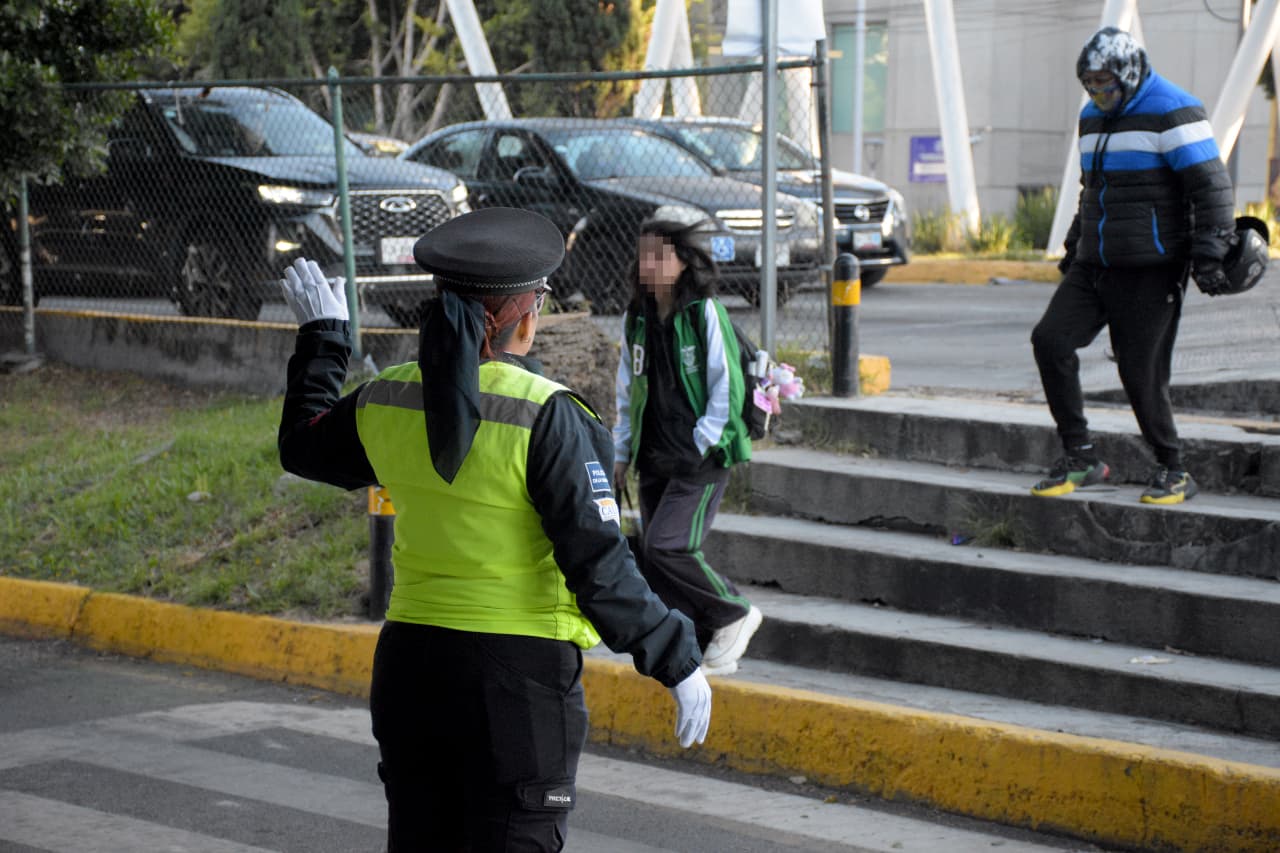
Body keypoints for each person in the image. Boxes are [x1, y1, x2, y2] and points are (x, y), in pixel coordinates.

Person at [276, 207, 711, 853]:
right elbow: (599, 564)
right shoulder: (548, 415)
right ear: (522, 315)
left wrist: (323, 337)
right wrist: (676, 659)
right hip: (516, 683)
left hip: (411, 669)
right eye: (539, 295)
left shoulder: (387, 398)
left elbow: (303, 444)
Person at [1031, 27, 1234, 504]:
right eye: (1090, 84)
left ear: (1129, 73)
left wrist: (1209, 255)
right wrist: (1075, 243)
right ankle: (1081, 456)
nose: (1097, 93)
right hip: (1095, 263)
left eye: (1105, 83)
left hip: (1151, 265)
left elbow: (1212, 189)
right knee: (1050, 340)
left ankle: (1174, 469)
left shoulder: (1173, 109)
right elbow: (1093, 190)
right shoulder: (1092, 118)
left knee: (1139, 371)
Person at [612, 217, 763, 678]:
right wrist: (620, 454)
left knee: (667, 547)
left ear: (682, 262)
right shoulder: (636, 319)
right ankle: (699, 641)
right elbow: (625, 391)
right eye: (644, 254)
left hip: (701, 456)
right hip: (653, 456)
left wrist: (703, 442)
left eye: (661, 255)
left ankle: (734, 611)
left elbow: (727, 387)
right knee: (657, 565)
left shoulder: (704, 313)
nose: (650, 264)